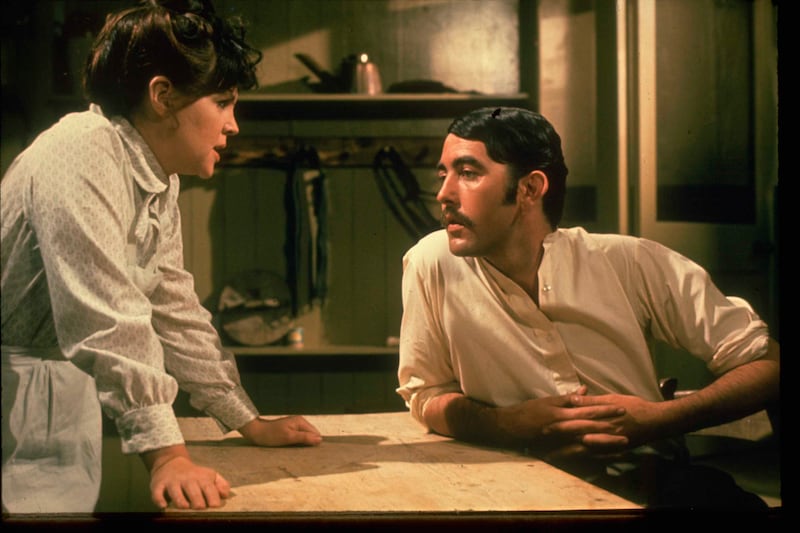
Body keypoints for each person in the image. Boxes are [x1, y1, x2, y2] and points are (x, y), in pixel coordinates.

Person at [1, 0, 322, 514]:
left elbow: (173, 307)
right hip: (13, 392)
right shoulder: (81, 151)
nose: (233, 125)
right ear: (162, 96)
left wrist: (245, 418)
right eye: (222, 102)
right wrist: (167, 457)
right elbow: (105, 317)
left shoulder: (154, 176)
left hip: (58, 390)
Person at [396, 106, 780, 509]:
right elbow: (426, 393)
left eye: (468, 173)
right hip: (515, 490)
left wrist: (657, 420)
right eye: (443, 174)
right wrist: (509, 426)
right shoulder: (432, 262)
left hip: (652, 486)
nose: (444, 194)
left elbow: (768, 366)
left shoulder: (629, 261)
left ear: (530, 188)